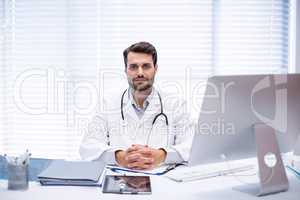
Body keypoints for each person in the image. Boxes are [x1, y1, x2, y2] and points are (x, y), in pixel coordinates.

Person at [79, 41, 194, 170]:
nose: (140, 72)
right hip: (119, 180)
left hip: (163, 182)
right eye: (133, 67)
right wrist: (119, 157)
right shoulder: (109, 102)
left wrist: (162, 155)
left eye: (146, 66)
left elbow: (192, 145)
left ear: (155, 69)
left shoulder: (175, 104)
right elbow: (87, 146)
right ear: (125, 70)